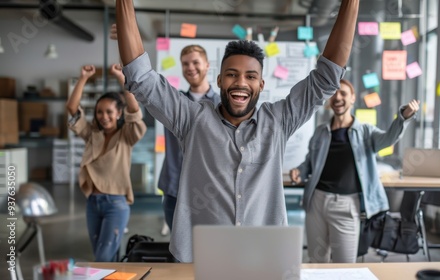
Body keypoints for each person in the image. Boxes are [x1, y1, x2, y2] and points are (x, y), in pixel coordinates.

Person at [115, 0, 359, 262]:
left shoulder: (278, 120)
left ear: (261, 84)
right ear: (219, 80)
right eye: (231, 74)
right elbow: (141, 77)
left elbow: (326, 76)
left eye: (250, 76)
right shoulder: (192, 119)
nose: (240, 82)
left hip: (263, 256)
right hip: (201, 257)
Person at [289, 79, 420, 263]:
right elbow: (310, 163)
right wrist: (299, 171)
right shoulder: (320, 132)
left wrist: (403, 117)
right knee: (316, 261)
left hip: (348, 206)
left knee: (344, 265)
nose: (338, 97)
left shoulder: (365, 132)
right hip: (316, 202)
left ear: (352, 99)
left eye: (343, 93)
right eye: (334, 94)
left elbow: (388, 139)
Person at [66, 63, 147, 262]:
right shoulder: (92, 134)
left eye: (109, 112)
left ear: (119, 113)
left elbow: (134, 110)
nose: (104, 117)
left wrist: (121, 78)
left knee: (102, 257)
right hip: (93, 202)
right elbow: (72, 109)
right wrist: (83, 78)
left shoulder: (126, 135)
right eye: (100, 112)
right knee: (105, 257)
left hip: (116, 204)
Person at [157, 45, 221, 233]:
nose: (190, 67)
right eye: (185, 64)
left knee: (208, 249)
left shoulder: (222, 106)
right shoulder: (172, 103)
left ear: (207, 65)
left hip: (209, 193)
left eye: (195, 62)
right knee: (179, 253)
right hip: (174, 191)